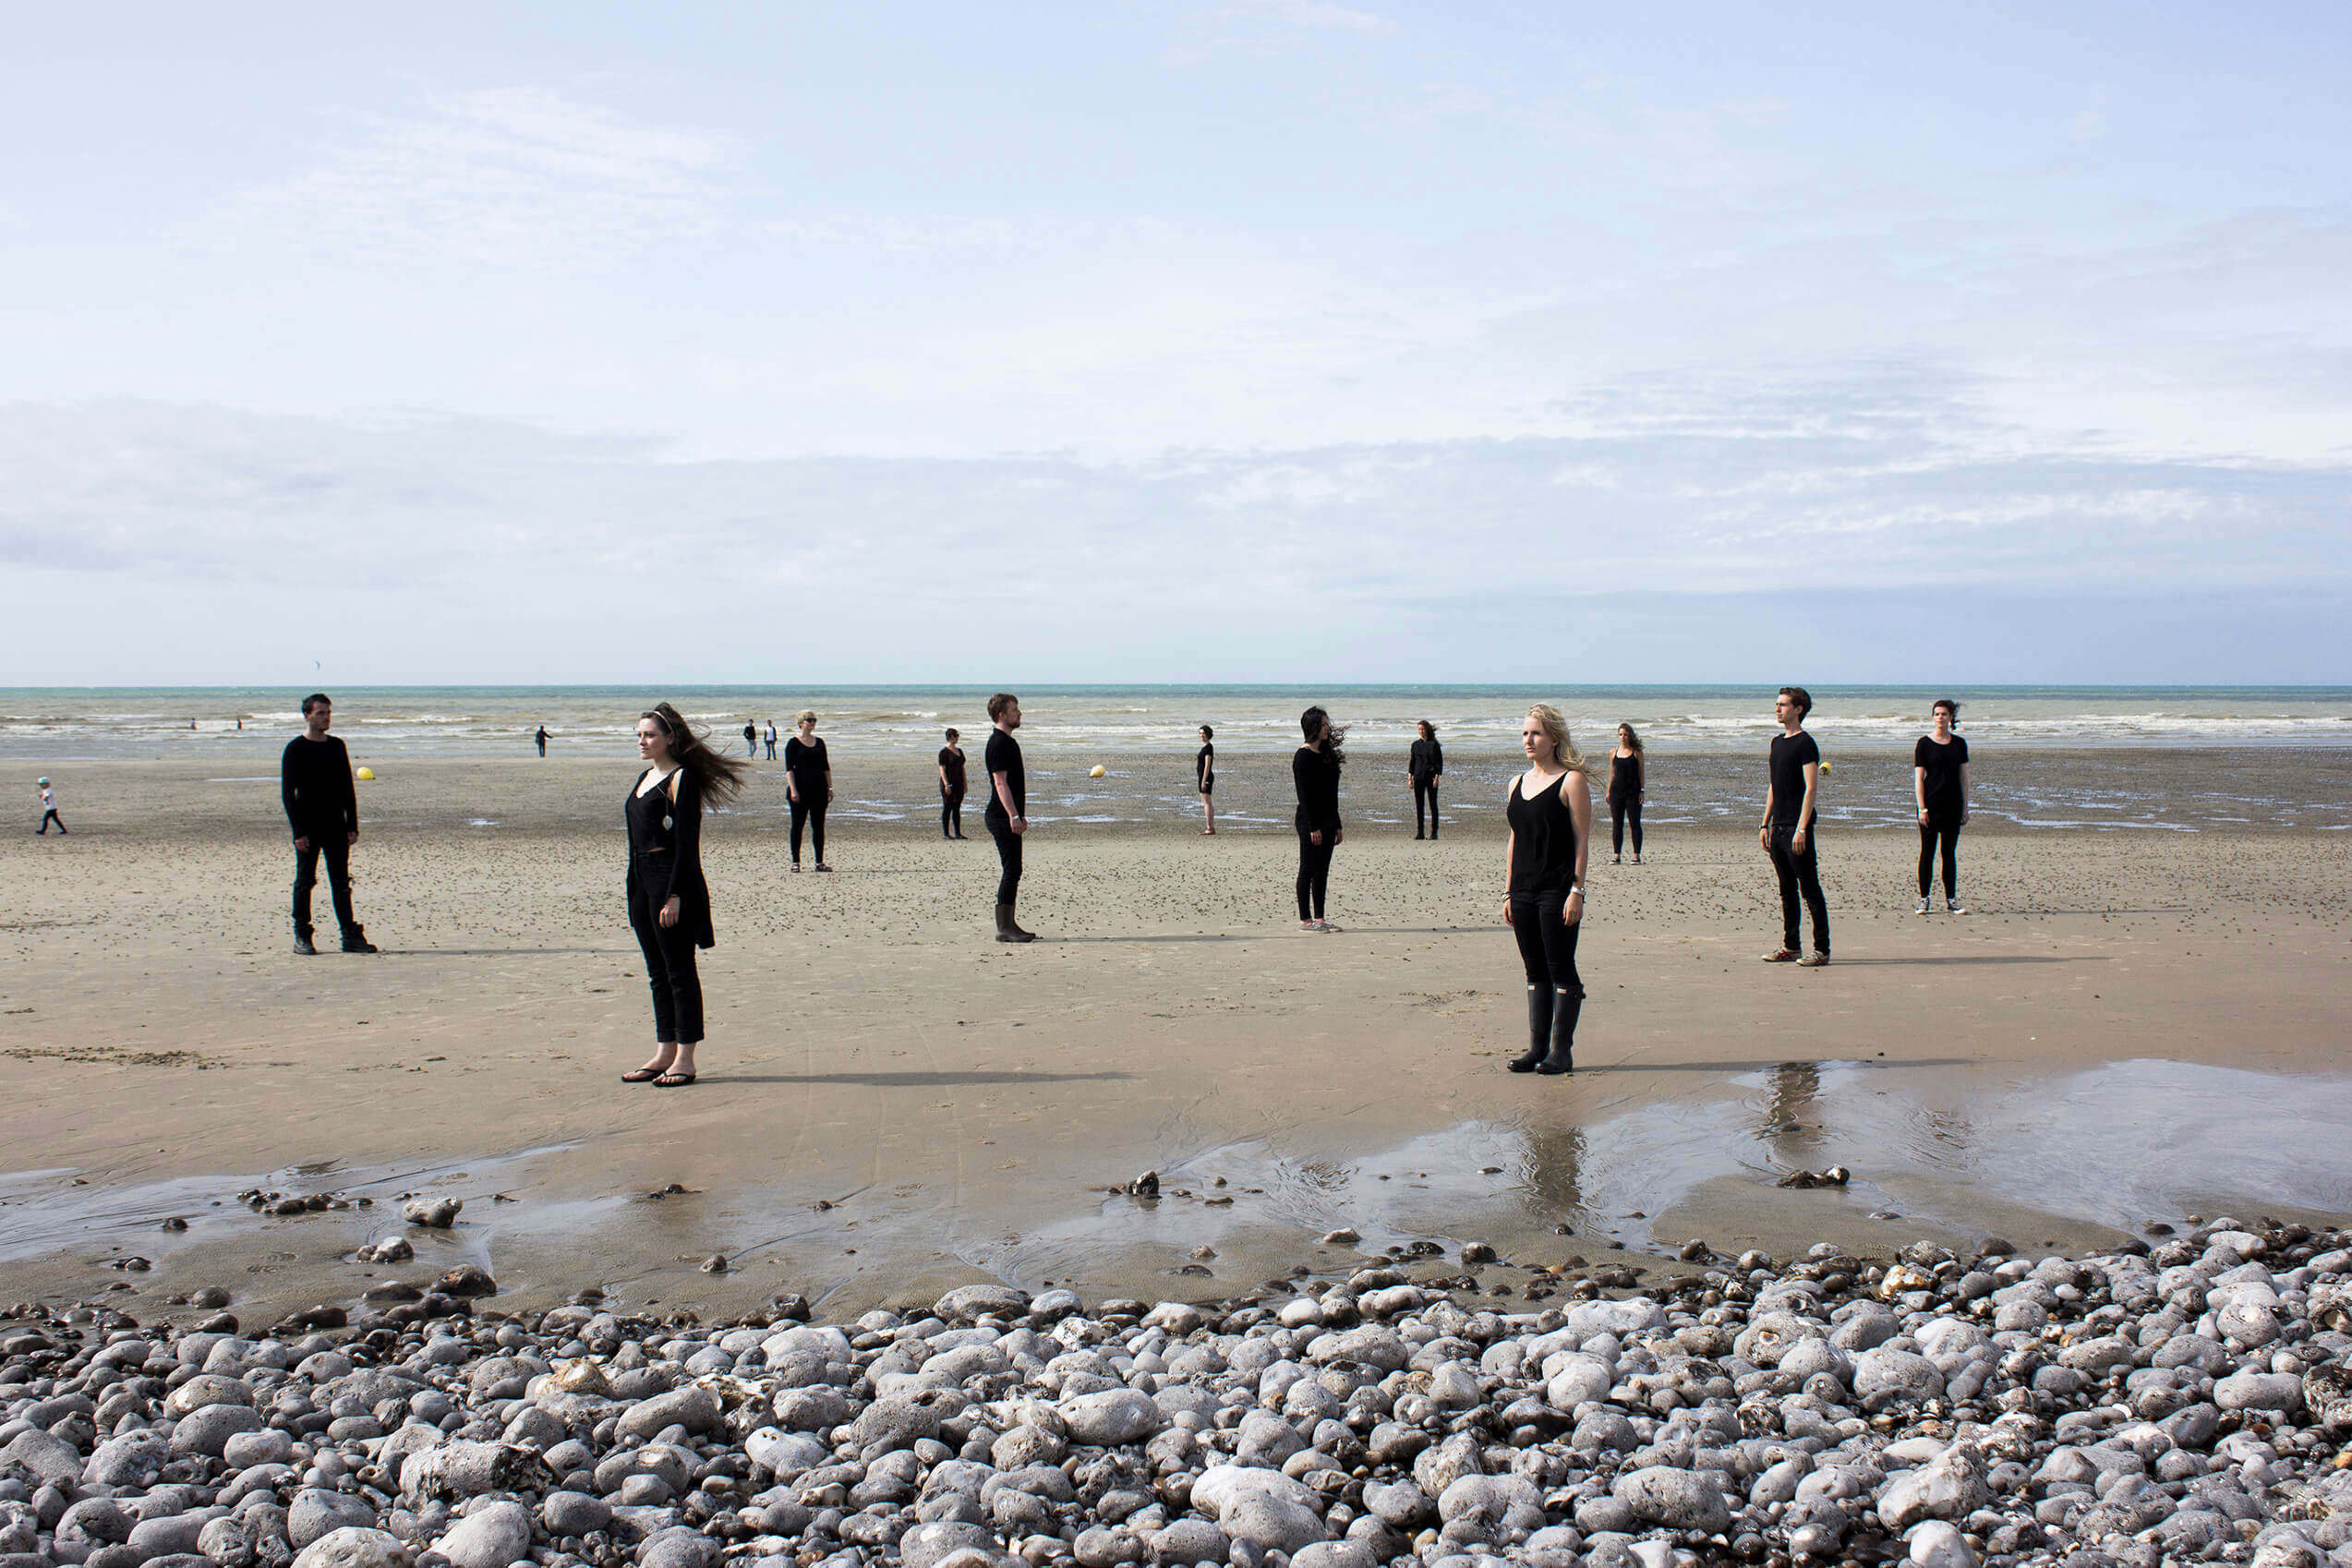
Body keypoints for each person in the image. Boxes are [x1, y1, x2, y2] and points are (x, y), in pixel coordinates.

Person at [621, 702, 748, 1088]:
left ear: (669, 738)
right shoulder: (644, 777)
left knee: (679, 971)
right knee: (656, 972)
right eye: (639, 734)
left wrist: (675, 895)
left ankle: (686, 1058)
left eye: (650, 735)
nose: (642, 741)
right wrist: (634, 888)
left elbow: (687, 845)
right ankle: (664, 1051)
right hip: (641, 880)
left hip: (669, 880)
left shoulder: (680, 779)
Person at [1503, 704, 1591, 1073]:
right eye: (1525, 733)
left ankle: (1561, 1051)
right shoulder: (1516, 782)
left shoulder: (1572, 781)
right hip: (1522, 890)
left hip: (1557, 890)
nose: (1529, 740)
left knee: (1560, 967)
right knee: (1533, 970)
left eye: (1536, 733)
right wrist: (1508, 892)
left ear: (1554, 738)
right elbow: (1514, 839)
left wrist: (1577, 891)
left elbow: (1582, 841)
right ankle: (1536, 1049)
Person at [281, 694, 375, 955]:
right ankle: (302, 935)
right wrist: (297, 831)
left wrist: (352, 824)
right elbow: (288, 794)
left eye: (328, 713)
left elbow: (347, 787)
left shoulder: (336, 746)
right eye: (320, 713)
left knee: (341, 882)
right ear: (307, 715)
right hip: (309, 827)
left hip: (336, 825)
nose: (326, 718)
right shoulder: (295, 748)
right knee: (305, 881)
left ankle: (350, 936)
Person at [1759, 686, 1829, 967]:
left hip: (1797, 829)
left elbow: (1811, 788)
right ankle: (1791, 946)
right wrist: (1765, 823)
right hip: (1778, 827)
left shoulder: (1805, 743)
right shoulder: (1777, 743)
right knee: (1786, 889)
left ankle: (1821, 950)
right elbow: (1774, 786)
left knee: (1809, 889)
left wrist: (1802, 828)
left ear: (1798, 709)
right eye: (1777, 704)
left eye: (1783, 705)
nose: (1778, 709)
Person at [985, 694, 1035, 941]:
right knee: (1012, 869)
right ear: (1002, 714)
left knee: (1014, 869)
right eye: (1015, 709)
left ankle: (1009, 923)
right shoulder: (998, 743)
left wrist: (1019, 814)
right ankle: (1004, 928)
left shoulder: (1009, 742)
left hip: (1010, 815)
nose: (1020, 713)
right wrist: (1013, 815)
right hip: (1000, 816)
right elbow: (1000, 783)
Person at [1914, 699, 1972, 914]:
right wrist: (1922, 808)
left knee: (1949, 853)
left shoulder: (1959, 744)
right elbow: (1919, 778)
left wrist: (1965, 807)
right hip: (1931, 804)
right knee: (1927, 853)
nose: (1940, 718)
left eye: (1944, 714)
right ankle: (1924, 899)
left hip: (1953, 805)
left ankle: (1951, 899)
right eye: (1937, 714)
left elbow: (1964, 777)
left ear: (1950, 718)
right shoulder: (1924, 743)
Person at [1293, 706, 1345, 931]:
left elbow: (1332, 794)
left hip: (1329, 819)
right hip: (1309, 820)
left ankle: (1320, 918)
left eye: (1327, 724)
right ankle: (1306, 919)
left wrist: (1338, 824)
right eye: (1323, 724)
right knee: (1308, 868)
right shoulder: (1302, 757)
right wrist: (1313, 827)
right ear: (1313, 726)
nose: (1327, 728)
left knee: (1323, 869)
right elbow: (1304, 795)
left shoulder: (1327, 755)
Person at [785, 710, 833, 871]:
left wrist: (829, 788)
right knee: (797, 826)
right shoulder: (793, 743)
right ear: (801, 723)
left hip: (819, 790)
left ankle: (819, 862)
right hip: (800, 790)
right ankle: (795, 862)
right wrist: (793, 790)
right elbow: (789, 769)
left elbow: (826, 767)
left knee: (818, 826)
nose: (812, 722)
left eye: (814, 720)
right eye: (809, 720)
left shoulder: (819, 742)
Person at [1608, 723, 1646, 863]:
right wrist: (1608, 791)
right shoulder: (1613, 752)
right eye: (1620, 734)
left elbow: (1641, 773)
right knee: (1617, 824)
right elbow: (1612, 773)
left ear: (1630, 736)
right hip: (1616, 793)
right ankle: (1617, 856)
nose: (1623, 737)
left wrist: (1642, 791)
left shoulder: (1637, 753)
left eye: (1625, 734)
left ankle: (1636, 856)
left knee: (1634, 823)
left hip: (1633, 793)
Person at [1408, 721, 1443, 839]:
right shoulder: (1415, 745)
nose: (1421, 731)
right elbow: (1412, 762)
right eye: (1419, 729)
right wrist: (1410, 778)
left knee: (1433, 805)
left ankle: (1434, 833)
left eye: (1423, 729)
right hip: (1418, 777)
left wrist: (1437, 778)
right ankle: (1420, 833)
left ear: (1427, 730)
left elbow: (1439, 762)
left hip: (1431, 778)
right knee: (1419, 805)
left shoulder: (1434, 744)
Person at [938, 728, 969, 839]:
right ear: (951, 737)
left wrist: (965, 783)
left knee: (957, 808)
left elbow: (962, 768)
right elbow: (942, 769)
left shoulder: (960, 751)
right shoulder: (943, 753)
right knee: (947, 807)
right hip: (949, 783)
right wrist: (946, 784)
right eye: (956, 736)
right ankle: (946, 833)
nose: (957, 738)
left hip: (959, 783)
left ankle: (958, 833)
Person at [1196, 725, 1217, 835]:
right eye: (1200, 733)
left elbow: (1207, 766)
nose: (1201, 735)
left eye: (1203, 733)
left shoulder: (1209, 747)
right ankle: (1211, 827)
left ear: (1208, 734)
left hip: (1206, 777)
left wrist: (1204, 780)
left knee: (1207, 803)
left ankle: (1209, 828)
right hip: (1202, 777)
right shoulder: (1204, 747)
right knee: (1206, 802)